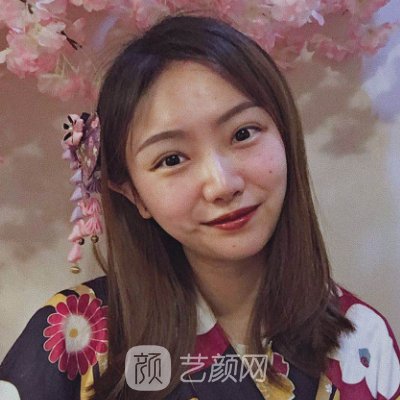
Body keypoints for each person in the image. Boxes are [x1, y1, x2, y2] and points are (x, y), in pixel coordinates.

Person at [0, 14, 399, 400]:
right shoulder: (72, 334)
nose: (222, 184)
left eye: (243, 133)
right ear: (133, 193)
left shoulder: (363, 339)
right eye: (171, 159)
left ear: (284, 135)